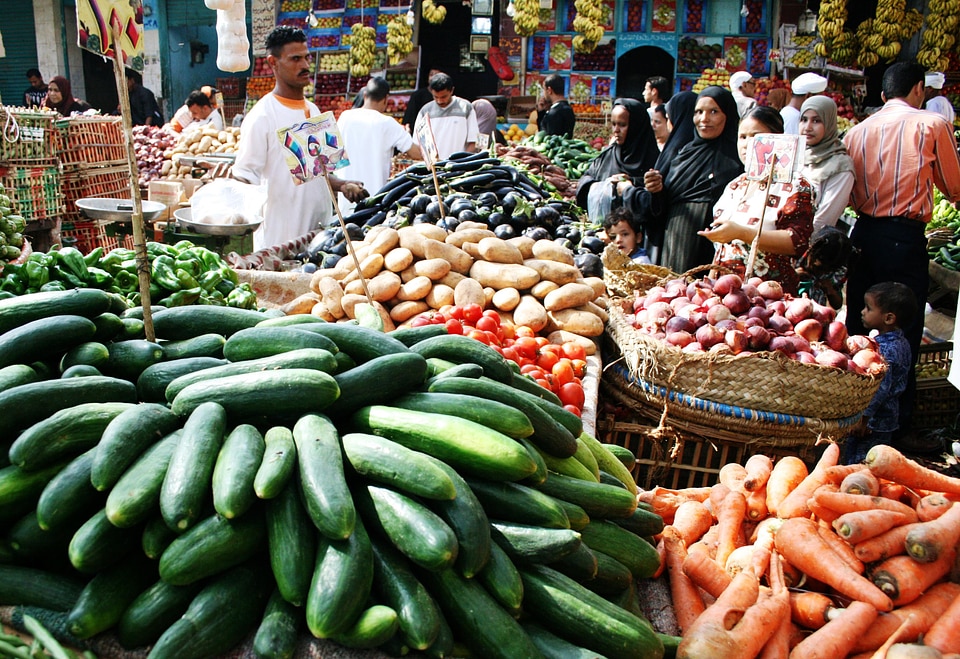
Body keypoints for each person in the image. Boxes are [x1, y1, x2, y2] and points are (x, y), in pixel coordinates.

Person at [843, 61, 960, 442]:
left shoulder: (856, 132)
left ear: (881, 95)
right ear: (919, 89)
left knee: (859, 328)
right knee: (901, 331)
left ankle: (849, 417)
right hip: (903, 238)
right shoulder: (931, 124)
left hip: (862, 234)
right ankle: (896, 425)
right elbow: (954, 187)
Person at [233, 26, 367, 252]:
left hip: (321, 235)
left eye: (306, 58)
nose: (305, 65)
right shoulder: (262, 116)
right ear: (273, 63)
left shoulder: (314, 111)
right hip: (282, 240)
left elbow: (318, 171)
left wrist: (343, 184)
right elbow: (245, 178)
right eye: (295, 59)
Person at [618, 86, 744, 274]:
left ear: (728, 115)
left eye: (714, 112)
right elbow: (665, 203)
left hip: (709, 249)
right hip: (675, 243)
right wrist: (656, 191)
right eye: (698, 112)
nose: (704, 119)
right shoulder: (684, 154)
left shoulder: (735, 160)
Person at [700, 106, 815, 295]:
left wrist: (742, 232)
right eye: (742, 137)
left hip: (769, 296)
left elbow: (797, 241)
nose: (747, 144)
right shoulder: (736, 185)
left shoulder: (796, 185)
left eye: (756, 136)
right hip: (728, 293)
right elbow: (722, 250)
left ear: (777, 138)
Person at [843, 282, 915, 465]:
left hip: (874, 420)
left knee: (861, 462)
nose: (862, 312)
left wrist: (864, 418)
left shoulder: (887, 350)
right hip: (887, 418)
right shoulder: (901, 342)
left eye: (868, 308)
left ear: (889, 318)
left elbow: (881, 388)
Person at [337, 76, 422, 211]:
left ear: (365, 94)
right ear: (386, 99)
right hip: (375, 199)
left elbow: (335, 155)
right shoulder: (387, 123)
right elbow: (417, 153)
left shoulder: (344, 117)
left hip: (347, 196)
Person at [575, 98, 660, 225]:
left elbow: (655, 204)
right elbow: (585, 181)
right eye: (613, 124)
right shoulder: (607, 156)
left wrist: (631, 183)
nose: (616, 130)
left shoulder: (654, 160)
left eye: (622, 125)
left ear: (636, 126)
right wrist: (604, 185)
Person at [798, 95, 855, 232]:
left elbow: (824, 220)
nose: (808, 127)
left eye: (816, 121)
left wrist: (789, 242)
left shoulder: (840, 166)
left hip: (804, 244)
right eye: (804, 120)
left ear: (829, 123)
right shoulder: (795, 155)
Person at [414, 72, 478, 160]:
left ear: (452, 90)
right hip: (433, 168)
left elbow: (474, 142)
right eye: (436, 97)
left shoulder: (466, 108)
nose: (440, 101)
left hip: (458, 168)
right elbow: (418, 144)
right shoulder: (425, 111)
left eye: (444, 97)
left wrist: (462, 162)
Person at [796, 225, 856, 310]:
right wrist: (793, 275)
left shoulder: (837, 271)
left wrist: (830, 290)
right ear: (811, 250)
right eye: (818, 268)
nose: (821, 273)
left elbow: (837, 304)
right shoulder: (797, 254)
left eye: (827, 270)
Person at [402, 67, 441, 134]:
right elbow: (409, 118)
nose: (433, 78)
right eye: (431, 75)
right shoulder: (417, 95)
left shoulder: (445, 97)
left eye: (437, 75)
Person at [536, 74, 576, 138]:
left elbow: (545, 137)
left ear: (549, 90)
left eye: (544, 89)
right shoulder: (568, 109)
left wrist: (541, 114)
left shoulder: (554, 113)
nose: (543, 93)